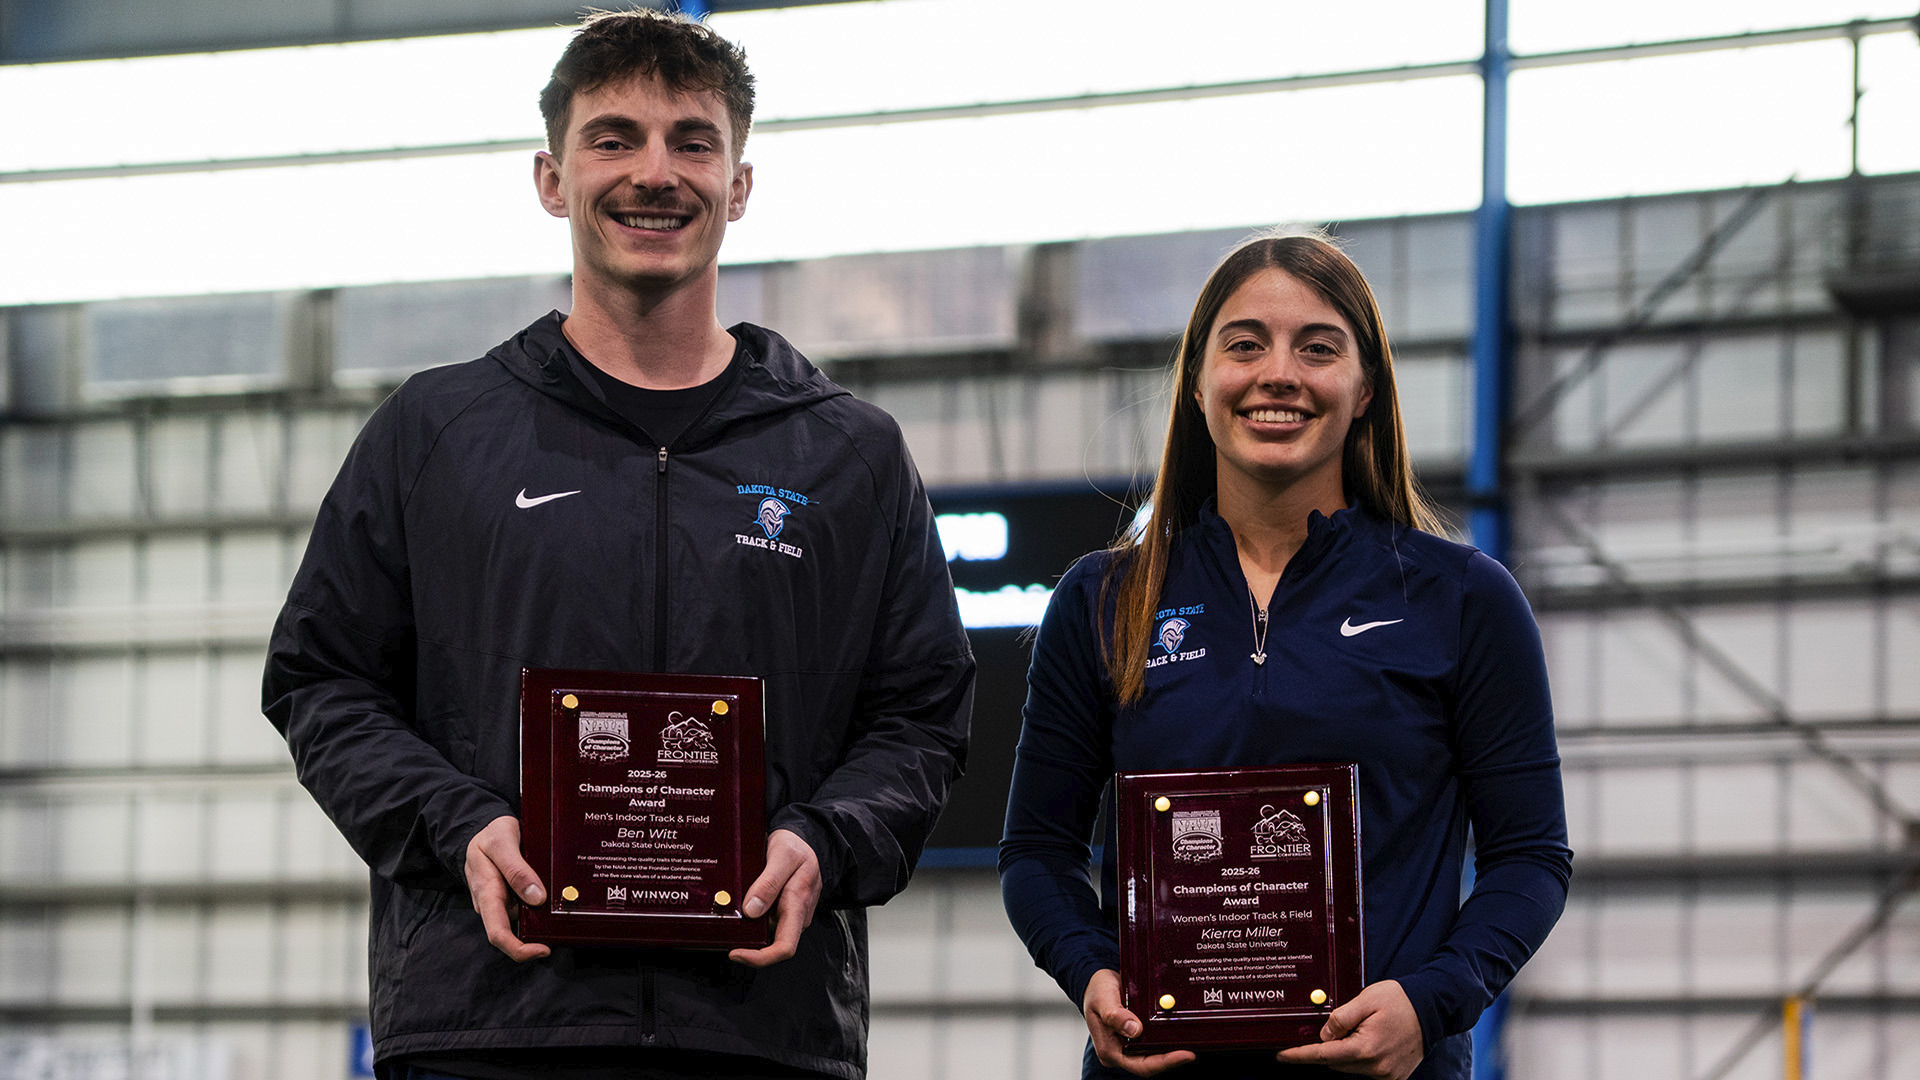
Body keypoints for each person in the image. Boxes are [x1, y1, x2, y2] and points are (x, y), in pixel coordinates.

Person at [263, 11, 974, 1080]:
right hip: (492, 1028)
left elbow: (923, 714)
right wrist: (457, 826)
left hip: (760, 1030)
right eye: (615, 138)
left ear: (738, 186)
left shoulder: (850, 454)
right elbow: (321, 680)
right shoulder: (437, 434)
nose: (656, 174)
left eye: (693, 141)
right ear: (552, 178)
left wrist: (824, 843)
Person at [998, 232, 1571, 1080]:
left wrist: (1433, 999)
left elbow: (1531, 858)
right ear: (1198, 381)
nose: (1279, 374)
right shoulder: (1101, 601)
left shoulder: (1463, 599)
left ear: (1365, 386)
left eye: (1318, 348)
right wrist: (1092, 974)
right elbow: (1036, 853)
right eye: (1244, 344)